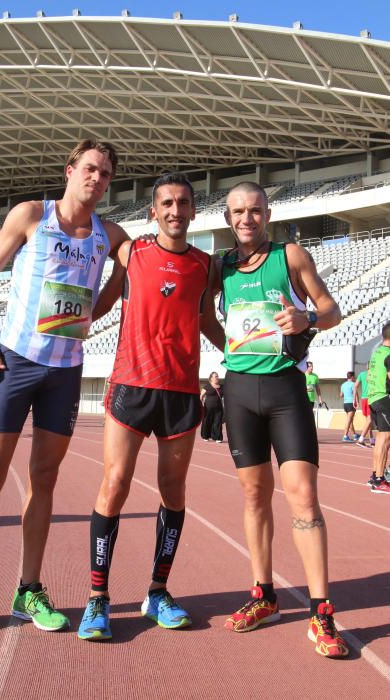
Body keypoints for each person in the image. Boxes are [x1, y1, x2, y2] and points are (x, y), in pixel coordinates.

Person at [0, 139, 129, 641]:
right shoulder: (30, 215)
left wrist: (96, 309)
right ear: (70, 170)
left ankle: (29, 590)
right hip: (15, 362)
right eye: (90, 169)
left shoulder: (110, 234)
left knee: (44, 480)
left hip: (65, 371)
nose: (96, 180)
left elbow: (137, 266)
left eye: (105, 174)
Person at [77, 172, 224, 641]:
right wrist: (74, 319)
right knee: (114, 484)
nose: (175, 210)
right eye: (166, 203)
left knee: (173, 491)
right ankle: (97, 599)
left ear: (194, 211)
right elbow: (81, 220)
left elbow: (207, 321)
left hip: (181, 392)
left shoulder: (206, 266)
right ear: (152, 211)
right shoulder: (132, 250)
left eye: (183, 203)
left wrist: (246, 355)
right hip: (131, 386)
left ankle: (157, 591)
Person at [218, 181, 349, 658]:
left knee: (304, 499)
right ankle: (264, 595)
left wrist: (307, 320)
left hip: (284, 392)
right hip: (238, 391)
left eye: (254, 210)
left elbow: (332, 308)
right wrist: (224, 345)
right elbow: (200, 312)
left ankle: (321, 612)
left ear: (266, 213)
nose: (246, 219)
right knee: (254, 495)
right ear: (229, 218)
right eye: (238, 212)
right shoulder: (223, 267)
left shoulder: (290, 256)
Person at [366, 322, 390, 493]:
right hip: (384, 397)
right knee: (386, 437)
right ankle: (380, 480)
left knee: (381, 437)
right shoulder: (388, 354)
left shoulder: (377, 353)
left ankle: (376, 475)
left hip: (374, 396)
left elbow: (368, 376)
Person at [200, 371, 224, 442]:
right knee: (207, 422)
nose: (217, 377)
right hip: (208, 408)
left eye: (217, 376)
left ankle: (217, 437)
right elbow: (201, 396)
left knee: (218, 422)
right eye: (215, 376)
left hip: (218, 409)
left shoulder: (222, 387)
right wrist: (200, 404)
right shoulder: (207, 386)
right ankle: (205, 436)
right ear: (211, 378)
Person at [354, 364, 374, 448]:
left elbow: (355, 386)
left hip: (363, 399)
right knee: (370, 420)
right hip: (370, 398)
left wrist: (354, 399)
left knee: (368, 421)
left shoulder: (361, 374)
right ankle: (361, 439)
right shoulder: (373, 374)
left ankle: (372, 440)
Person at [340, 372, 359, 443]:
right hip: (351, 403)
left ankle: (354, 434)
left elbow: (341, 395)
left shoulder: (343, 384)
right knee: (349, 420)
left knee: (350, 420)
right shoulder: (353, 384)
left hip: (345, 404)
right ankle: (345, 436)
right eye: (354, 377)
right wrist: (357, 402)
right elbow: (355, 394)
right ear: (352, 377)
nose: (355, 378)